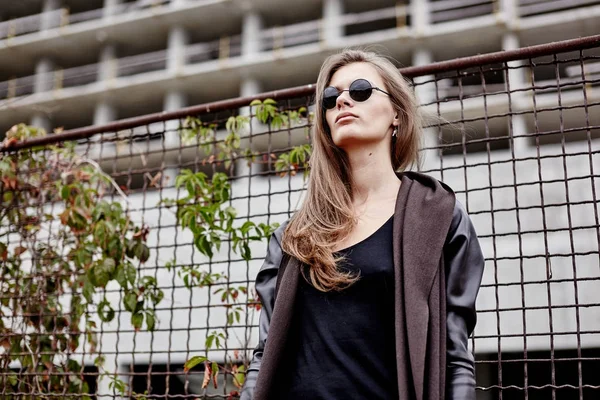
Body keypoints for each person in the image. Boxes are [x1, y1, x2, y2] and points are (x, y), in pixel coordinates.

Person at [240, 49, 485, 400]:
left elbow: (454, 353)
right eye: (330, 97)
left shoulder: (437, 217)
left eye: (360, 90)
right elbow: (265, 355)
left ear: (397, 115)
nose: (342, 101)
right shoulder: (294, 238)